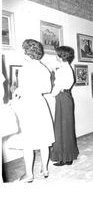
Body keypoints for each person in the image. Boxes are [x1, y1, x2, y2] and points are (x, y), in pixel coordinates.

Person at [13, 39, 55, 182]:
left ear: (27, 52)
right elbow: (47, 89)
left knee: (28, 141)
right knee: (44, 139)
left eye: (24, 49)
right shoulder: (44, 68)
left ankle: (29, 175)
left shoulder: (25, 68)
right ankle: (45, 169)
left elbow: (22, 90)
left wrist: (17, 90)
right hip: (40, 104)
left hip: (28, 105)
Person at [50, 46, 79, 166]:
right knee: (62, 127)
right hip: (63, 97)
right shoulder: (63, 67)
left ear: (62, 56)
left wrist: (51, 93)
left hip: (63, 96)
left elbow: (59, 85)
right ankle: (64, 156)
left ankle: (67, 157)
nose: (55, 56)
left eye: (57, 54)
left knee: (65, 127)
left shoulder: (64, 68)